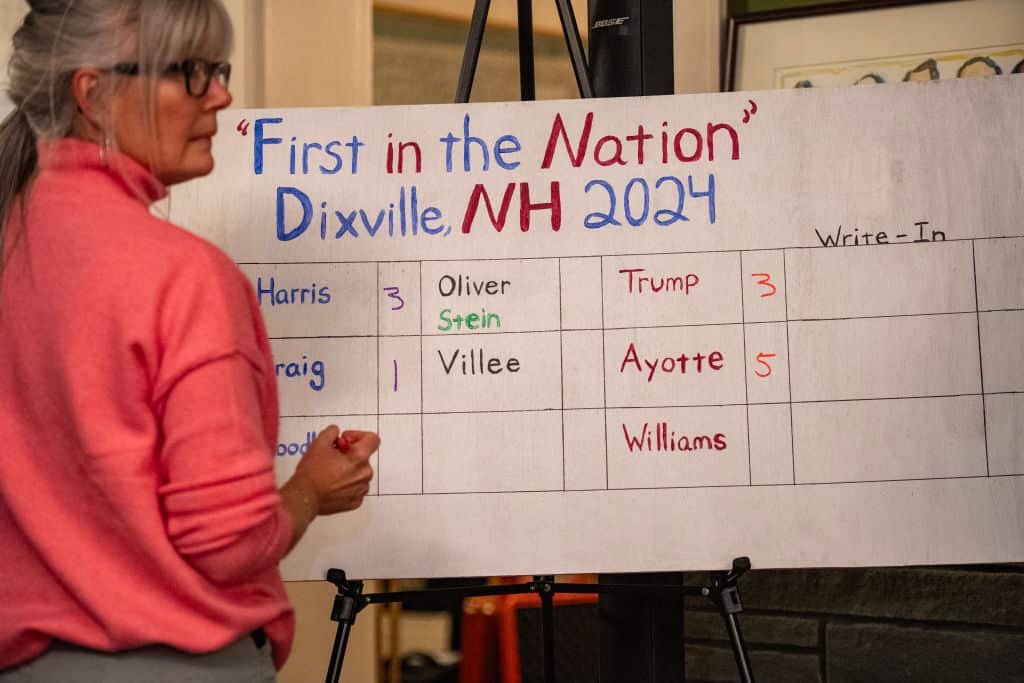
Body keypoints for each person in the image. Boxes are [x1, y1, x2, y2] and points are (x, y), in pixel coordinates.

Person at [0, 1, 377, 680]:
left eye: (217, 70)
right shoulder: (184, 276)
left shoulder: (14, 238)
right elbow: (228, 544)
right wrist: (310, 491)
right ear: (93, 94)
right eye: (190, 72)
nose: (221, 95)